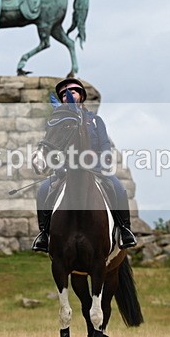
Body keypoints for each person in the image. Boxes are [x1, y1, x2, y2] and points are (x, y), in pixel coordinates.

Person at [31, 78, 137, 253]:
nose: (67, 96)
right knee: (43, 190)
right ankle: (44, 234)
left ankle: (125, 229)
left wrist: (102, 160)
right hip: (67, 170)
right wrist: (58, 165)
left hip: (94, 169)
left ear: (81, 95)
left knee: (118, 187)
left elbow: (104, 145)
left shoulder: (95, 121)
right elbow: (55, 146)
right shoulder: (60, 122)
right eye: (63, 95)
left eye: (72, 92)